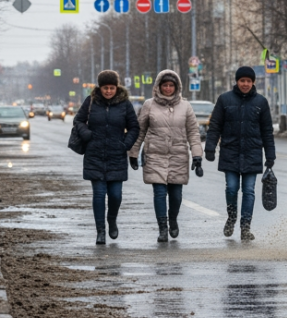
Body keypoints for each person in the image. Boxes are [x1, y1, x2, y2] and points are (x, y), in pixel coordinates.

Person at [129, 70, 203, 243]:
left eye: (171, 85)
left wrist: (197, 155)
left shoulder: (185, 106)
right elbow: (140, 131)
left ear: (176, 87)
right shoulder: (149, 105)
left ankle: (173, 219)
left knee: (176, 195)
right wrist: (133, 153)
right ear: (159, 86)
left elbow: (193, 132)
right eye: (165, 85)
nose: (168, 88)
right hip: (155, 155)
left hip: (178, 156)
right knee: (159, 193)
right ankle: (162, 228)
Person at [205, 66, 275, 241]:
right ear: (237, 81)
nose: (245, 84)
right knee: (231, 188)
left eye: (248, 81)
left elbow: (267, 131)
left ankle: (245, 227)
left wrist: (270, 155)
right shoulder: (224, 100)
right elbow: (215, 126)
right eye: (242, 80)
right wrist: (210, 147)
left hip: (252, 153)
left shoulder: (261, 102)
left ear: (253, 82)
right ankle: (232, 217)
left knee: (249, 191)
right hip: (230, 151)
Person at [72, 71, 139, 245]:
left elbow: (134, 127)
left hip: (117, 155)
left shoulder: (124, 104)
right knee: (99, 194)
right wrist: (86, 134)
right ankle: (100, 231)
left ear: (117, 87)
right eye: (105, 88)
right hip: (95, 155)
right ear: (100, 88)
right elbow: (78, 121)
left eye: (111, 88)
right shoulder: (91, 102)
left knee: (115, 195)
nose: (108, 91)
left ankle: (112, 219)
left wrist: (125, 144)